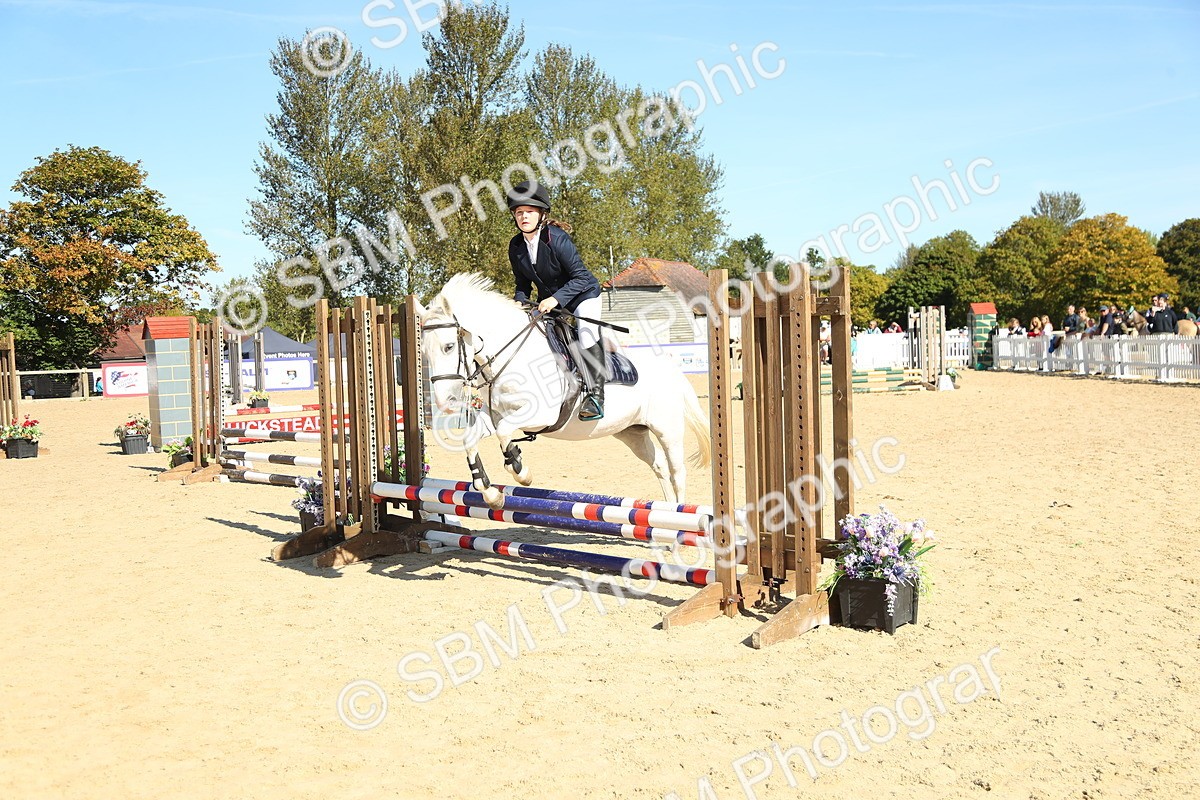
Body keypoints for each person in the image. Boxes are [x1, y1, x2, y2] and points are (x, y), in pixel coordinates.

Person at [506, 180, 606, 421]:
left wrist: (555, 298)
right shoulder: (516, 246)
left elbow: (581, 277)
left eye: (529, 211)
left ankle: (595, 395)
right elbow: (522, 284)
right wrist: (519, 301)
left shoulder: (556, 238)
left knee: (586, 332)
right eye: (519, 213)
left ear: (541, 214)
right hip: (549, 302)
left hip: (583, 295)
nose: (523, 216)